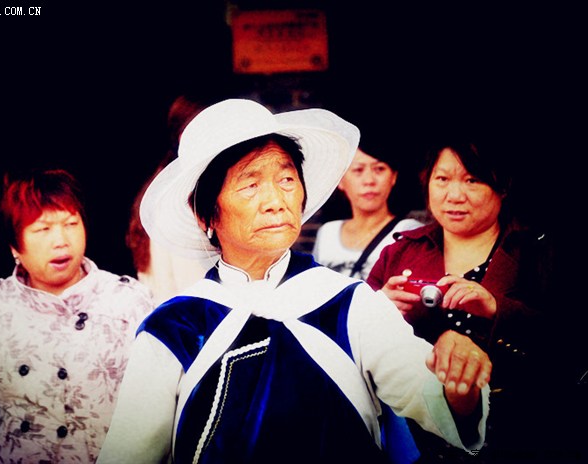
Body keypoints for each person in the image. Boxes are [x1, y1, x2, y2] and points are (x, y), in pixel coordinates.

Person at [96, 99, 492, 464]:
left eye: (286, 179)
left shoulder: (347, 303)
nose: (275, 201)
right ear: (205, 215)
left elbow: (430, 398)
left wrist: (459, 383)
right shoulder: (174, 328)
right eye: (250, 185)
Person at [0, 168, 154, 463]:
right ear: (15, 245)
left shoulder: (128, 299)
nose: (61, 240)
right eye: (43, 229)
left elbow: (157, 406)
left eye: (71, 224)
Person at [366, 136, 557, 462]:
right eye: (442, 179)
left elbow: (568, 340)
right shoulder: (400, 251)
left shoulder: (536, 252)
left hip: (521, 435)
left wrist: (497, 309)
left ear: (502, 187)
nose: (454, 195)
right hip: (416, 440)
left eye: (472, 180)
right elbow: (357, 342)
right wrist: (379, 306)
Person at [126, 95, 216, 306]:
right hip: (185, 314)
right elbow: (188, 289)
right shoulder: (178, 195)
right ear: (184, 135)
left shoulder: (170, 185)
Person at [312, 124, 426, 280]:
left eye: (379, 169)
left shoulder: (409, 232)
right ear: (341, 180)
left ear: (393, 177)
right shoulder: (327, 232)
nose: (369, 180)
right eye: (358, 170)